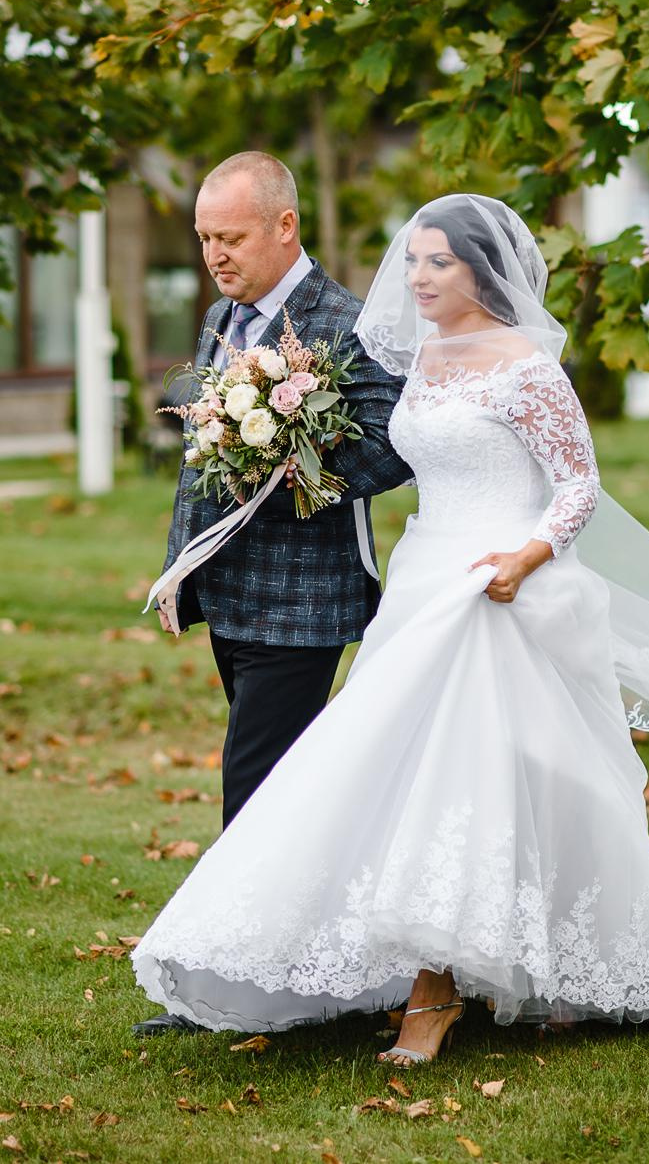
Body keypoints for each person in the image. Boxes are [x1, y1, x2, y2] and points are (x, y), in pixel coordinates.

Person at [130, 195, 649, 1062]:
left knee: (483, 780)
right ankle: (388, 961)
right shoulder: (423, 358)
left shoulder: (528, 368)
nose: (418, 278)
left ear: (483, 272)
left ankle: (438, 993)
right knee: (396, 771)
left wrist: (527, 555)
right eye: (414, 260)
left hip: (499, 589)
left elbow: (579, 485)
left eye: (439, 264)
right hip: (426, 575)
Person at [131, 152, 411, 1039]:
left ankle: (232, 992)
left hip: (305, 604)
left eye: (232, 236)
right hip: (235, 596)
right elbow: (201, 463)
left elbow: (393, 447)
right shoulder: (222, 315)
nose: (215, 253)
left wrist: (294, 453)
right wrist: (183, 570)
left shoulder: (345, 322)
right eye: (206, 236)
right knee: (278, 796)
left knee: (251, 790)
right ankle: (290, 982)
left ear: (285, 226)